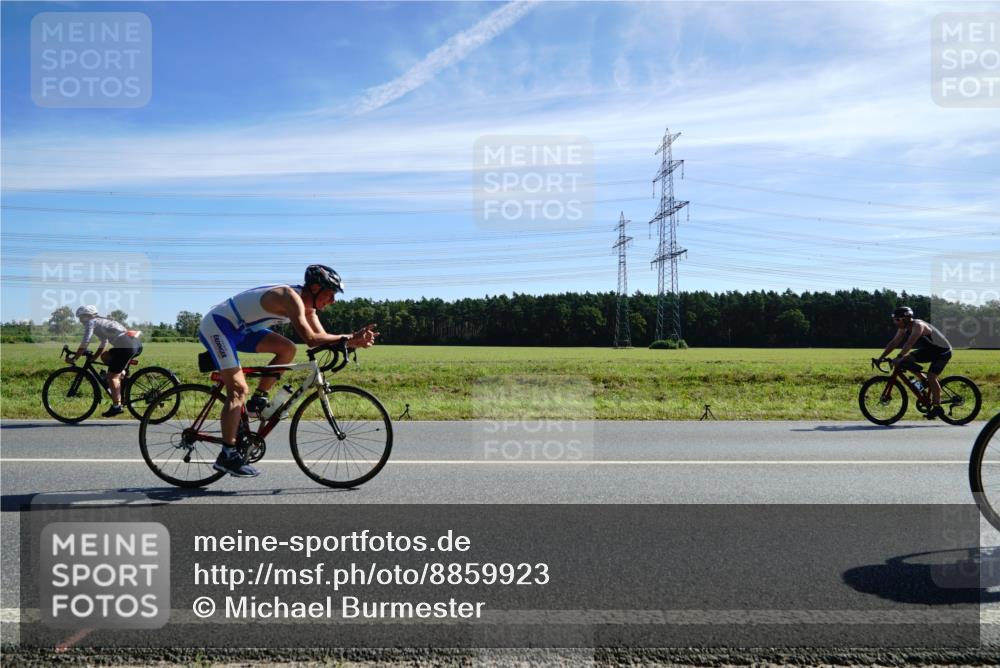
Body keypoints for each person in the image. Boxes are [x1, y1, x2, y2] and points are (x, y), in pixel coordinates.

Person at [198, 264, 377, 478]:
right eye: (330, 293)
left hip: (242, 330)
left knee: (287, 349)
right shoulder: (290, 297)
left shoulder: (308, 308)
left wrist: (352, 342)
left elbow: (321, 340)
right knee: (237, 389)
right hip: (219, 326)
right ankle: (227, 455)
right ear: (315, 288)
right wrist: (349, 337)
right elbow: (311, 339)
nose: (333, 300)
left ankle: (258, 400)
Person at [878, 305, 953, 420]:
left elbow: (909, 343)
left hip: (943, 351)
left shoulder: (918, 326)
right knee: (906, 360)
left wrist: (899, 356)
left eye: (897, 319)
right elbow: (894, 342)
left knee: (932, 376)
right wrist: (881, 357)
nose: (895, 322)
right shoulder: (903, 328)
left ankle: (937, 406)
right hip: (929, 350)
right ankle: (924, 381)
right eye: (894, 319)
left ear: (906, 318)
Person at [70, 305, 143, 417]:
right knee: (105, 356)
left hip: (125, 346)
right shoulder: (102, 322)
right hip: (134, 344)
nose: (80, 320)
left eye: (81, 317)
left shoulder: (91, 322)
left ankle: (116, 406)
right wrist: (94, 357)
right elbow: (104, 343)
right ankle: (122, 376)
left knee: (112, 376)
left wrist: (75, 358)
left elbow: (86, 341)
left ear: (88, 316)